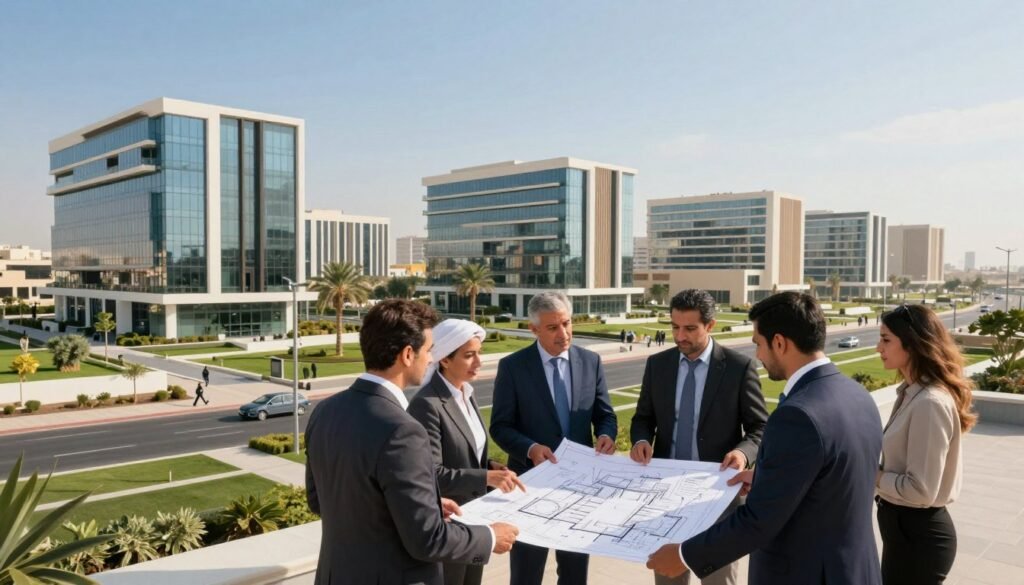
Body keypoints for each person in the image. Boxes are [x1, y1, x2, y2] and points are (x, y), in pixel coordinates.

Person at [647, 292, 883, 584]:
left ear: (780, 343)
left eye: (758, 344)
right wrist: (763, 479)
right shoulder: (857, 395)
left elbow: (759, 520)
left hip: (805, 573)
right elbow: (826, 482)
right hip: (854, 570)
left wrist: (683, 556)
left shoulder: (798, 415)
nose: (758, 355)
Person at [305, 299, 518, 585]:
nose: (430, 359)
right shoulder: (404, 430)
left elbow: (321, 501)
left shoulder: (324, 410)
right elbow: (428, 540)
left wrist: (422, 503)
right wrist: (491, 536)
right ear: (408, 354)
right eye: (428, 350)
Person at [631, 289, 769, 585]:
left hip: (717, 500)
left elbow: (760, 427)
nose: (680, 336)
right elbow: (643, 419)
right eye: (675, 327)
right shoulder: (658, 365)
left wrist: (743, 453)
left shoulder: (738, 367)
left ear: (711, 325)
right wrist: (641, 441)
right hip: (665, 498)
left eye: (690, 328)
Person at [490, 291, 618, 585]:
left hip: (579, 489)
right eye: (552, 327)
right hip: (529, 487)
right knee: (526, 574)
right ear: (533, 329)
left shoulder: (591, 361)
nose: (564, 333)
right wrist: (531, 448)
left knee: (575, 575)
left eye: (567, 323)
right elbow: (500, 426)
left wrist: (606, 435)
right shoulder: (512, 367)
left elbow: (605, 414)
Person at [408, 319, 527, 585]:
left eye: (479, 353)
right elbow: (431, 474)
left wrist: (492, 466)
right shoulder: (426, 405)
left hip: (476, 521)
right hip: (448, 526)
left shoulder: (466, 393)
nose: (478, 362)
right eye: (469, 355)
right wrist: (485, 477)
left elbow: (468, 453)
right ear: (444, 360)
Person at [875, 304, 976, 584]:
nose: (878, 348)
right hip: (902, 533)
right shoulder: (910, 393)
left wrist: (874, 475)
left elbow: (921, 490)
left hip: (919, 539)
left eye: (885, 340)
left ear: (912, 344)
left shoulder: (929, 403)